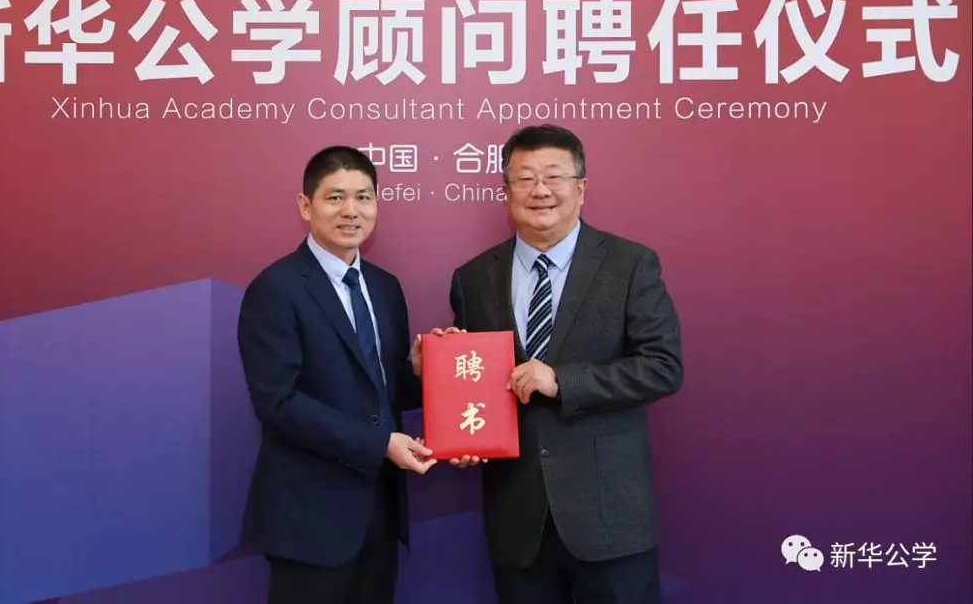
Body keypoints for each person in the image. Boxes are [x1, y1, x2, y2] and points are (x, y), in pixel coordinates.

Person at [415, 124, 683, 604]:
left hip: (610, 517)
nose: (540, 190)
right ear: (506, 192)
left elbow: (662, 366)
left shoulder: (629, 264)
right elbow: (479, 384)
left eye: (554, 176)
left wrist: (562, 381)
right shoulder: (474, 277)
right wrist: (455, 408)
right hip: (518, 521)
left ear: (581, 187)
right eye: (525, 179)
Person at [237, 145, 435, 604]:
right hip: (309, 517)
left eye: (363, 197)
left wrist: (420, 374)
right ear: (306, 205)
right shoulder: (276, 288)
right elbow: (277, 402)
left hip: (379, 509)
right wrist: (379, 444)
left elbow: (381, 393)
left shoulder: (385, 287)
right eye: (335, 197)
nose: (351, 211)